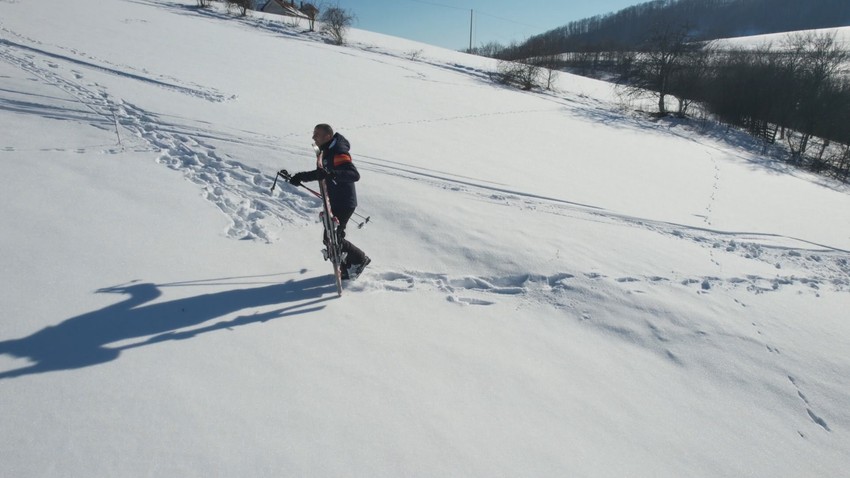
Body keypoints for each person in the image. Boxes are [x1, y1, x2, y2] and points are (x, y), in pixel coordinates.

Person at [288, 124, 370, 280]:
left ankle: (359, 260)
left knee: (333, 238)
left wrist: (333, 174)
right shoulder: (327, 151)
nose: (313, 137)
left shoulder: (338, 152)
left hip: (344, 201)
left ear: (327, 136)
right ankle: (348, 265)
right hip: (334, 200)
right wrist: (300, 177)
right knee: (331, 238)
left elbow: (353, 174)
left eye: (316, 134)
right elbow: (322, 173)